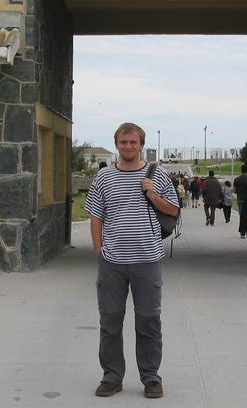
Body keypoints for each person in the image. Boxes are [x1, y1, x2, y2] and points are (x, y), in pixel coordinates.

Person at [85, 122, 179, 399]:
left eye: (133, 142)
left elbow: (173, 209)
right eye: (124, 142)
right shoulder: (103, 178)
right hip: (112, 261)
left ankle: (151, 378)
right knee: (110, 320)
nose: (128, 146)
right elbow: (95, 215)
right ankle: (112, 377)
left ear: (141, 145)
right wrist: (98, 249)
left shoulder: (158, 175)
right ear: (117, 145)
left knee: (149, 320)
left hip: (147, 260)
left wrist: (153, 193)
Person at [233, 165, 247, 238]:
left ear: (241, 170)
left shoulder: (236, 179)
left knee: (242, 216)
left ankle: (242, 233)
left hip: (240, 200)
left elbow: (234, 191)